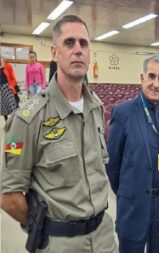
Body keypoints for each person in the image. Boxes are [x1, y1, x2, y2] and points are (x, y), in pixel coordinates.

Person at [0, 15, 118, 253]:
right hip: (60, 243)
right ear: (54, 52)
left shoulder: (96, 106)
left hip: (105, 237)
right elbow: (9, 196)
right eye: (69, 43)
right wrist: (41, 228)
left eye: (83, 44)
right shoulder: (28, 118)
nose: (78, 50)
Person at [106, 54, 159, 253]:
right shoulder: (123, 112)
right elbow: (112, 164)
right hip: (133, 204)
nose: (156, 84)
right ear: (142, 78)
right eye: (151, 76)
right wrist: (127, 192)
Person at [0, 54, 19, 120]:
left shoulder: (8, 66)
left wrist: (11, 86)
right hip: (1, 90)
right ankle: (7, 122)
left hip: (9, 88)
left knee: (13, 107)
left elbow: (13, 79)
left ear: (2, 58)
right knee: (4, 106)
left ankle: (15, 121)